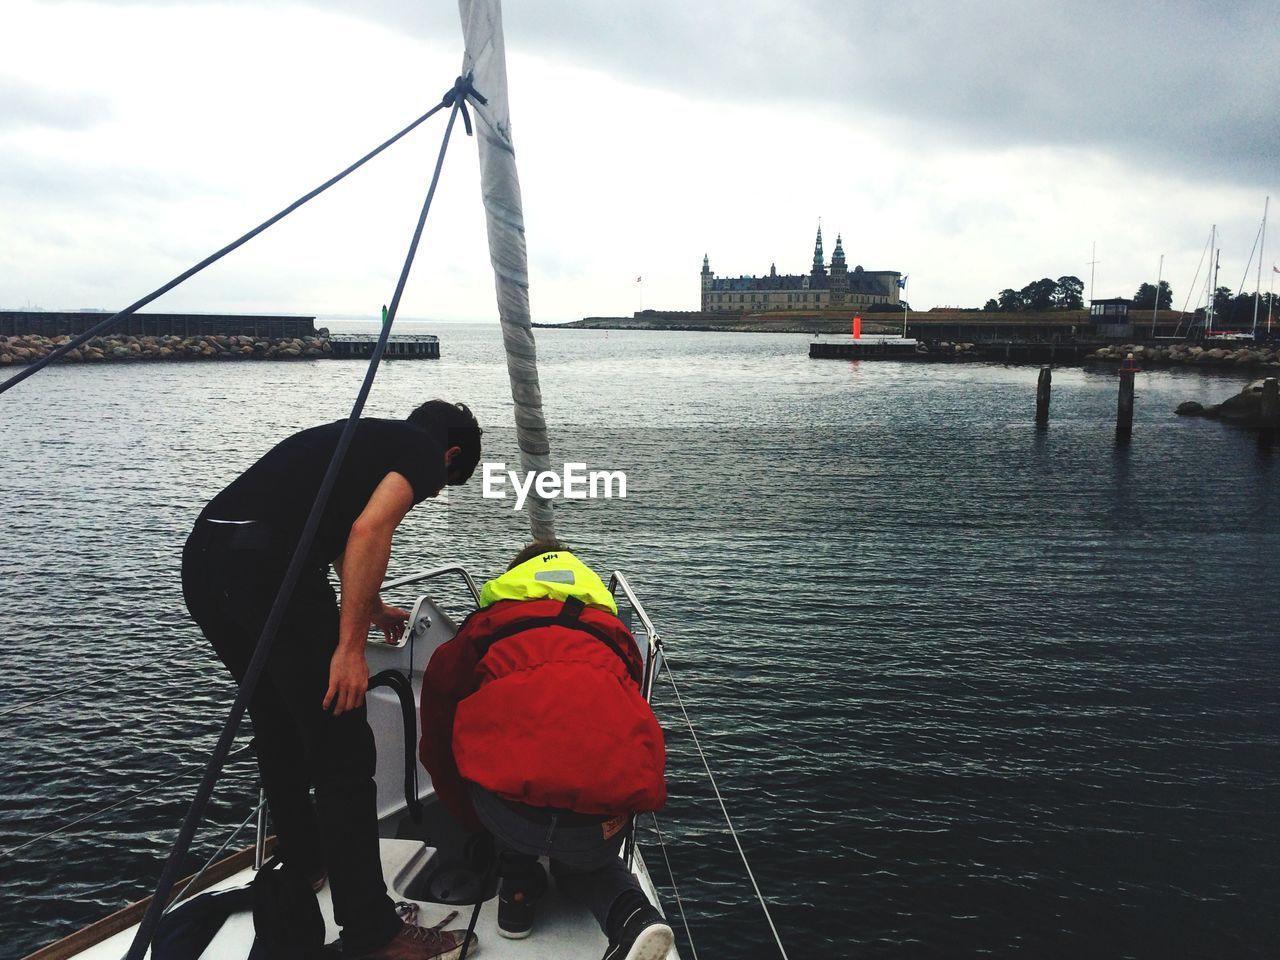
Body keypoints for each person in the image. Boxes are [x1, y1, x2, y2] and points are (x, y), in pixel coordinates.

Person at [182, 400, 482, 960]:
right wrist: (348, 650)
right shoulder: (421, 449)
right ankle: (374, 931)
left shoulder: (361, 441)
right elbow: (371, 530)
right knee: (343, 746)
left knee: (278, 723)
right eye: (442, 484)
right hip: (266, 571)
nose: (432, 493)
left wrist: (371, 611)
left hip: (205, 565)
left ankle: (304, 858)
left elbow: (341, 530)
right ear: (451, 454)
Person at [420, 540, 674, 960]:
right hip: (597, 827)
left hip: (510, 817)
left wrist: (473, 821)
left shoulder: (487, 627)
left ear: (516, 579)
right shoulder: (615, 635)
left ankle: (516, 894)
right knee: (589, 863)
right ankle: (633, 918)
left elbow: (437, 734)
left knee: (509, 769)